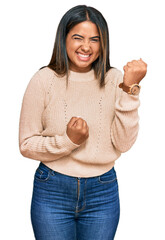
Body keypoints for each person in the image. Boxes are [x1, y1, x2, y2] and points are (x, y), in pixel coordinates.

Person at [19, 5, 147, 240]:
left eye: (95, 40)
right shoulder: (43, 79)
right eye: (78, 37)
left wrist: (130, 89)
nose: (86, 47)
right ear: (63, 38)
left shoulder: (116, 79)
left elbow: (124, 143)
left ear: (103, 43)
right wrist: (68, 141)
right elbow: (26, 144)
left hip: (103, 191)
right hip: (52, 189)